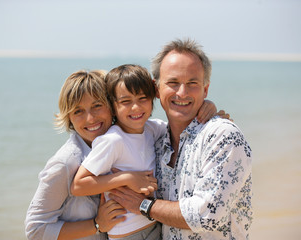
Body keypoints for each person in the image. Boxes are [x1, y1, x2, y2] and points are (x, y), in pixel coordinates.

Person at [109, 39, 253, 239]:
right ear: (156, 89)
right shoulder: (156, 140)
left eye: (192, 83)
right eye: (173, 83)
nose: (182, 93)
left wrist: (143, 205)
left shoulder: (223, 136)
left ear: (205, 89)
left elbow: (206, 215)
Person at [70, 64, 220, 239]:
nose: (136, 108)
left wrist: (208, 106)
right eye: (126, 101)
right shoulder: (112, 141)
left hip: (153, 222)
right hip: (126, 232)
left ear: (153, 97)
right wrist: (126, 178)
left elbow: (184, 124)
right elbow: (78, 185)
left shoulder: (151, 128)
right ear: (112, 105)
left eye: (142, 98)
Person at [25, 70, 127, 240]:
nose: (90, 118)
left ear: (111, 107)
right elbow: (35, 230)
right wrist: (96, 224)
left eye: (97, 105)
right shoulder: (65, 163)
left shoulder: (119, 147)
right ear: (69, 118)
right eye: (78, 111)